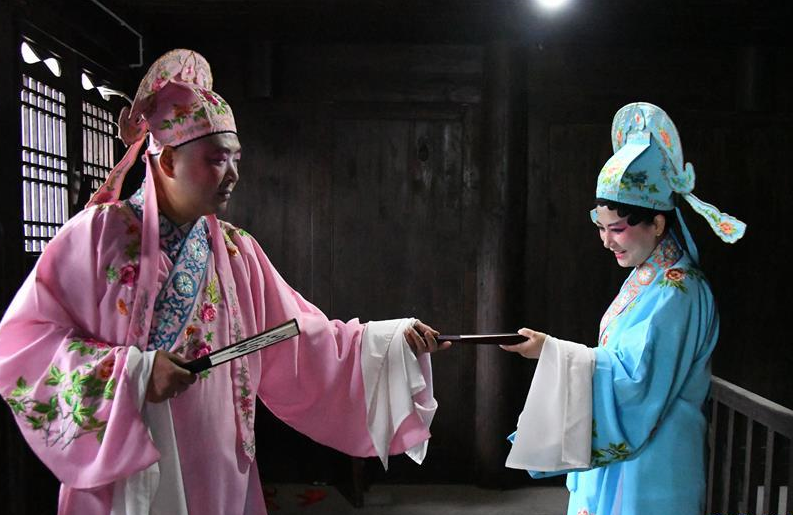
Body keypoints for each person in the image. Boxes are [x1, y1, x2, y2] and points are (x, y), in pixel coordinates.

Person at [0, 49, 449, 515]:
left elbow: (300, 336)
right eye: (216, 159)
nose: (232, 174)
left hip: (212, 462)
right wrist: (133, 374)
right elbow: (23, 343)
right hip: (125, 459)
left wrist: (387, 341)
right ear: (167, 161)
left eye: (236, 159)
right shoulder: (94, 237)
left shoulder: (236, 251)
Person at [501, 102, 746, 515]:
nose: (606, 241)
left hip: (656, 457)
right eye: (601, 227)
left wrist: (553, 351)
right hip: (639, 449)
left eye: (617, 229)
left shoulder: (678, 290)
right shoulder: (651, 276)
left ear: (658, 224)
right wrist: (554, 351)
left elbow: (637, 381)